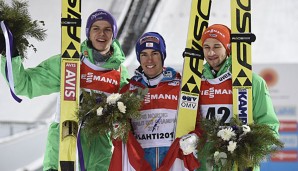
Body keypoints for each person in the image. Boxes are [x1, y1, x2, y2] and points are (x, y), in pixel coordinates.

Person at [0, 9, 129, 171]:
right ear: (88, 32)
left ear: (113, 34)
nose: (101, 34)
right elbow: (25, 85)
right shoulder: (69, 62)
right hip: (62, 146)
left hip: (98, 155)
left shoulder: (120, 73)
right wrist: (9, 54)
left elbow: (128, 116)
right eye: (96, 28)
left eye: (107, 29)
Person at [108, 32, 200, 171]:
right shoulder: (129, 90)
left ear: (162, 55)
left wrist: (194, 138)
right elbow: (119, 134)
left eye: (155, 53)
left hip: (174, 159)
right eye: (144, 54)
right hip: (140, 161)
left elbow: (199, 121)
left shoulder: (181, 86)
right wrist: (115, 128)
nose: (149, 60)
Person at [196, 24, 280, 171]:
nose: (210, 52)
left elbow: (268, 124)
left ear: (228, 48)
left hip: (238, 164)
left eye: (217, 46)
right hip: (204, 165)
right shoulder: (195, 82)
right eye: (206, 47)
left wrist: (251, 150)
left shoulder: (252, 81)